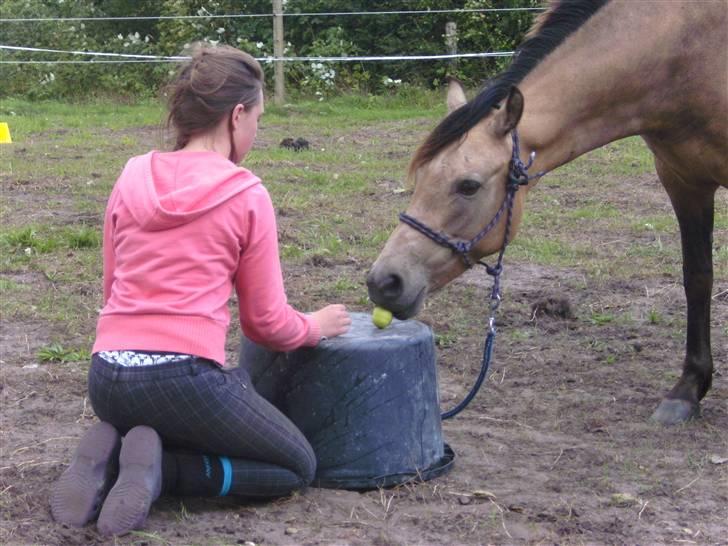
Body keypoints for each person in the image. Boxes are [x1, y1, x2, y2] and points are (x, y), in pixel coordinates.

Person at [50, 44, 351, 537]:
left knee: (185, 410)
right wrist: (314, 326)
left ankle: (112, 452)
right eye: (257, 119)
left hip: (106, 378)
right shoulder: (246, 192)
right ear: (237, 116)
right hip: (182, 382)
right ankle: (162, 473)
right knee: (297, 466)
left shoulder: (131, 175)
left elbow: (112, 288)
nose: (255, 132)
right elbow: (266, 324)